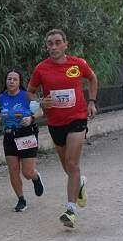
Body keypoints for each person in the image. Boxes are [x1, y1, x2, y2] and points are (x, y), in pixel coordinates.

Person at [28, 29, 98, 229]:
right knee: (67, 168)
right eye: (50, 43)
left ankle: (71, 210)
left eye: (58, 42)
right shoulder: (41, 69)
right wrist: (41, 101)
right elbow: (30, 93)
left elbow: (92, 78)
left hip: (77, 118)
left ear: (66, 44)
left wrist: (92, 102)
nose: (54, 46)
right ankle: (80, 183)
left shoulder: (78, 63)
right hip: (55, 122)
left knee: (71, 162)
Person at [0, 70, 44, 212]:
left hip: (26, 134)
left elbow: (40, 112)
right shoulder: (1, 98)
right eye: (9, 79)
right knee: (13, 170)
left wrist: (31, 119)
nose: (11, 81)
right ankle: (21, 199)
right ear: (6, 81)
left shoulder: (27, 96)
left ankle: (35, 177)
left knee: (27, 172)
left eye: (15, 79)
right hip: (9, 136)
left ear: (19, 82)